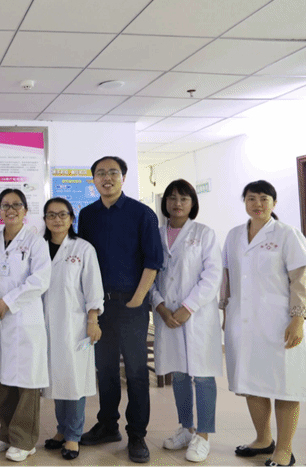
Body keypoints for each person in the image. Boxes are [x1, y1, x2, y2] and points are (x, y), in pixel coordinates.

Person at [77, 156, 163, 464]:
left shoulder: (142, 213)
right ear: (94, 180)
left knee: (137, 372)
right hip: (100, 305)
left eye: (113, 172)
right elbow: (83, 260)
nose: (107, 178)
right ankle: (108, 425)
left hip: (131, 304)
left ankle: (137, 434)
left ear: (123, 178)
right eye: (100, 173)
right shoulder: (87, 215)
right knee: (106, 369)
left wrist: (138, 299)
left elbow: (153, 260)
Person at [223, 180, 306, 467]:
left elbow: (300, 279)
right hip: (242, 321)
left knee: (285, 385)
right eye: (251, 198)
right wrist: (226, 314)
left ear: (274, 203)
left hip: (279, 322)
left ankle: (284, 450)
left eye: (263, 198)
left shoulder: (286, 234)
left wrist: (298, 318)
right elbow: (227, 277)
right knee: (251, 382)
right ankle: (262, 439)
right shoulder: (234, 235)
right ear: (244, 202)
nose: (257, 204)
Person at [150, 179, 222, 463]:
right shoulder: (155, 234)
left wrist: (188, 307)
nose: (177, 203)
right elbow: (149, 273)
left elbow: (212, 275)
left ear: (193, 203)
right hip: (166, 314)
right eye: (171, 198)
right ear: (165, 202)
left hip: (197, 317)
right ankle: (186, 428)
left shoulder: (204, 233)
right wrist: (160, 305)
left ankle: (203, 435)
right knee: (178, 374)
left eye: (183, 198)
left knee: (202, 375)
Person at [0, 188, 51, 463]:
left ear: (25, 210)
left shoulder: (36, 242)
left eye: (16, 205)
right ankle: (6, 433)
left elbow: (40, 280)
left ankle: (25, 440)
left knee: (26, 382)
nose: (11, 210)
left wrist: (7, 302)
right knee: (1, 380)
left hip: (25, 320)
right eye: (5, 205)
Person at [41, 198, 104, 461]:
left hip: (75, 325)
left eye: (62, 214)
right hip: (45, 324)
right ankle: (61, 429)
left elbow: (93, 287)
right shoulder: (38, 247)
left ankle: (73, 436)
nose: (57, 219)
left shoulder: (83, 248)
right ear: (45, 219)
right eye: (51, 215)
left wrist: (93, 320)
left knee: (75, 381)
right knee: (57, 379)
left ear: (71, 218)